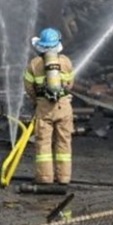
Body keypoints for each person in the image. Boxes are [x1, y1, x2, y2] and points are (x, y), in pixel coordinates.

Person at [24, 27, 75, 184]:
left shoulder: (34, 64)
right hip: (64, 107)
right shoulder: (66, 62)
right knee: (64, 142)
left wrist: (38, 100)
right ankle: (64, 177)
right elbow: (70, 84)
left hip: (44, 108)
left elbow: (29, 88)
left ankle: (45, 177)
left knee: (43, 143)